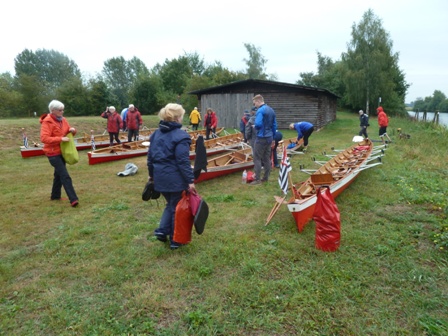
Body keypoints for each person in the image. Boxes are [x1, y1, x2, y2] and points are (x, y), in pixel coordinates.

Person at [147, 103, 196, 250]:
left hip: (160, 177)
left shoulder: (156, 134)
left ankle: (162, 230)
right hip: (174, 179)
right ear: (177, 117)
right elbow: (182, 161)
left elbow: (150, 158)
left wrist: (152, 176)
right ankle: (176, 240)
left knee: (171, 204)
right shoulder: (181, 136)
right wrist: (190, 180)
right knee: (177, 208)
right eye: (182, 115)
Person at [40, 100, 79, 207]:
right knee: (64, 175)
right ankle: (73, 199)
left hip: (62, 151)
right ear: (53, 111)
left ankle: (55, 195)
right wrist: (60, 139)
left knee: (58, 175)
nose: (62, 112)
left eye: (63, 110)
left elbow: (67, 133)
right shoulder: (47, 122)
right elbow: (44, 138)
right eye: (60, 110)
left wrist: (73, 130)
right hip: (52, 153)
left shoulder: (63, 120)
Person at [250, 94, 278, 185]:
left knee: (257, 158)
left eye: (255, 104)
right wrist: (273, 138)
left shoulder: (260, 110)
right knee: (266, 158)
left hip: (261, 137)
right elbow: (274, 125)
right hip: (269, 137)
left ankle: (257, 179)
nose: (255, 106)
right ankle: (266, 178)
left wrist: (255, 127)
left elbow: (258, 124)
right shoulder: (271, 110)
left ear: (258, 101)